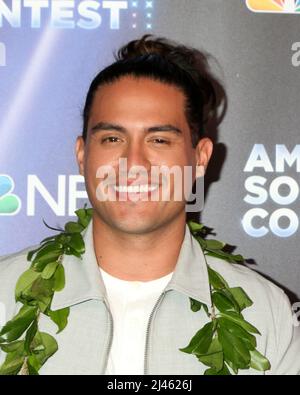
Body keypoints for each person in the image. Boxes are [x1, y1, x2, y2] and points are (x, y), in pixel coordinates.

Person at [0, 35, 299, 375]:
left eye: (159, 139)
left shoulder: (268, 316)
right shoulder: (4, 293)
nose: (134, 163)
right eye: (113, 138)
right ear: (82, 155)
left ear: (200, 158)